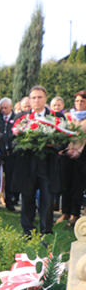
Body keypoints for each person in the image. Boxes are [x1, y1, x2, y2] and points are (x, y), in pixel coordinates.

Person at [11, 85, 65, 236]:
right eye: (33, 97)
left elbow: (64, 140)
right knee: (27, 199)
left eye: (40, 97)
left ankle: (46, 232)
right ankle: (27, 231)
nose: (36, 100)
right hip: (27, 165)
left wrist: (52, 144)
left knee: (47, 200)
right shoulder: (22, 118)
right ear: (30, 99)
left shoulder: (57, 118)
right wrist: (24, 142)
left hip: (48, 166)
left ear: (45, 99)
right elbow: (13, 141)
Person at [57, 90, 86, 226]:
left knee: (77, 186)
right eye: (77, 101)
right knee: (65, 185)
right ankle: (65, 213)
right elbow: (60, 135)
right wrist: (64, 149)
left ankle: (75, 214)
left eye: (82, 101)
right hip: (66, 156)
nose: (79, 103)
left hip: (81, 158)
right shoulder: (67, 116)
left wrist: (79, 152)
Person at [0, 97, 18, 211]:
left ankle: (9, 201)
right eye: (2, 108)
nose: (3, 110)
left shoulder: (16, 118)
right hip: (0, 153)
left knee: (10, 178)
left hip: (11, 153)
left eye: (6, 108)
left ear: (11, 107)